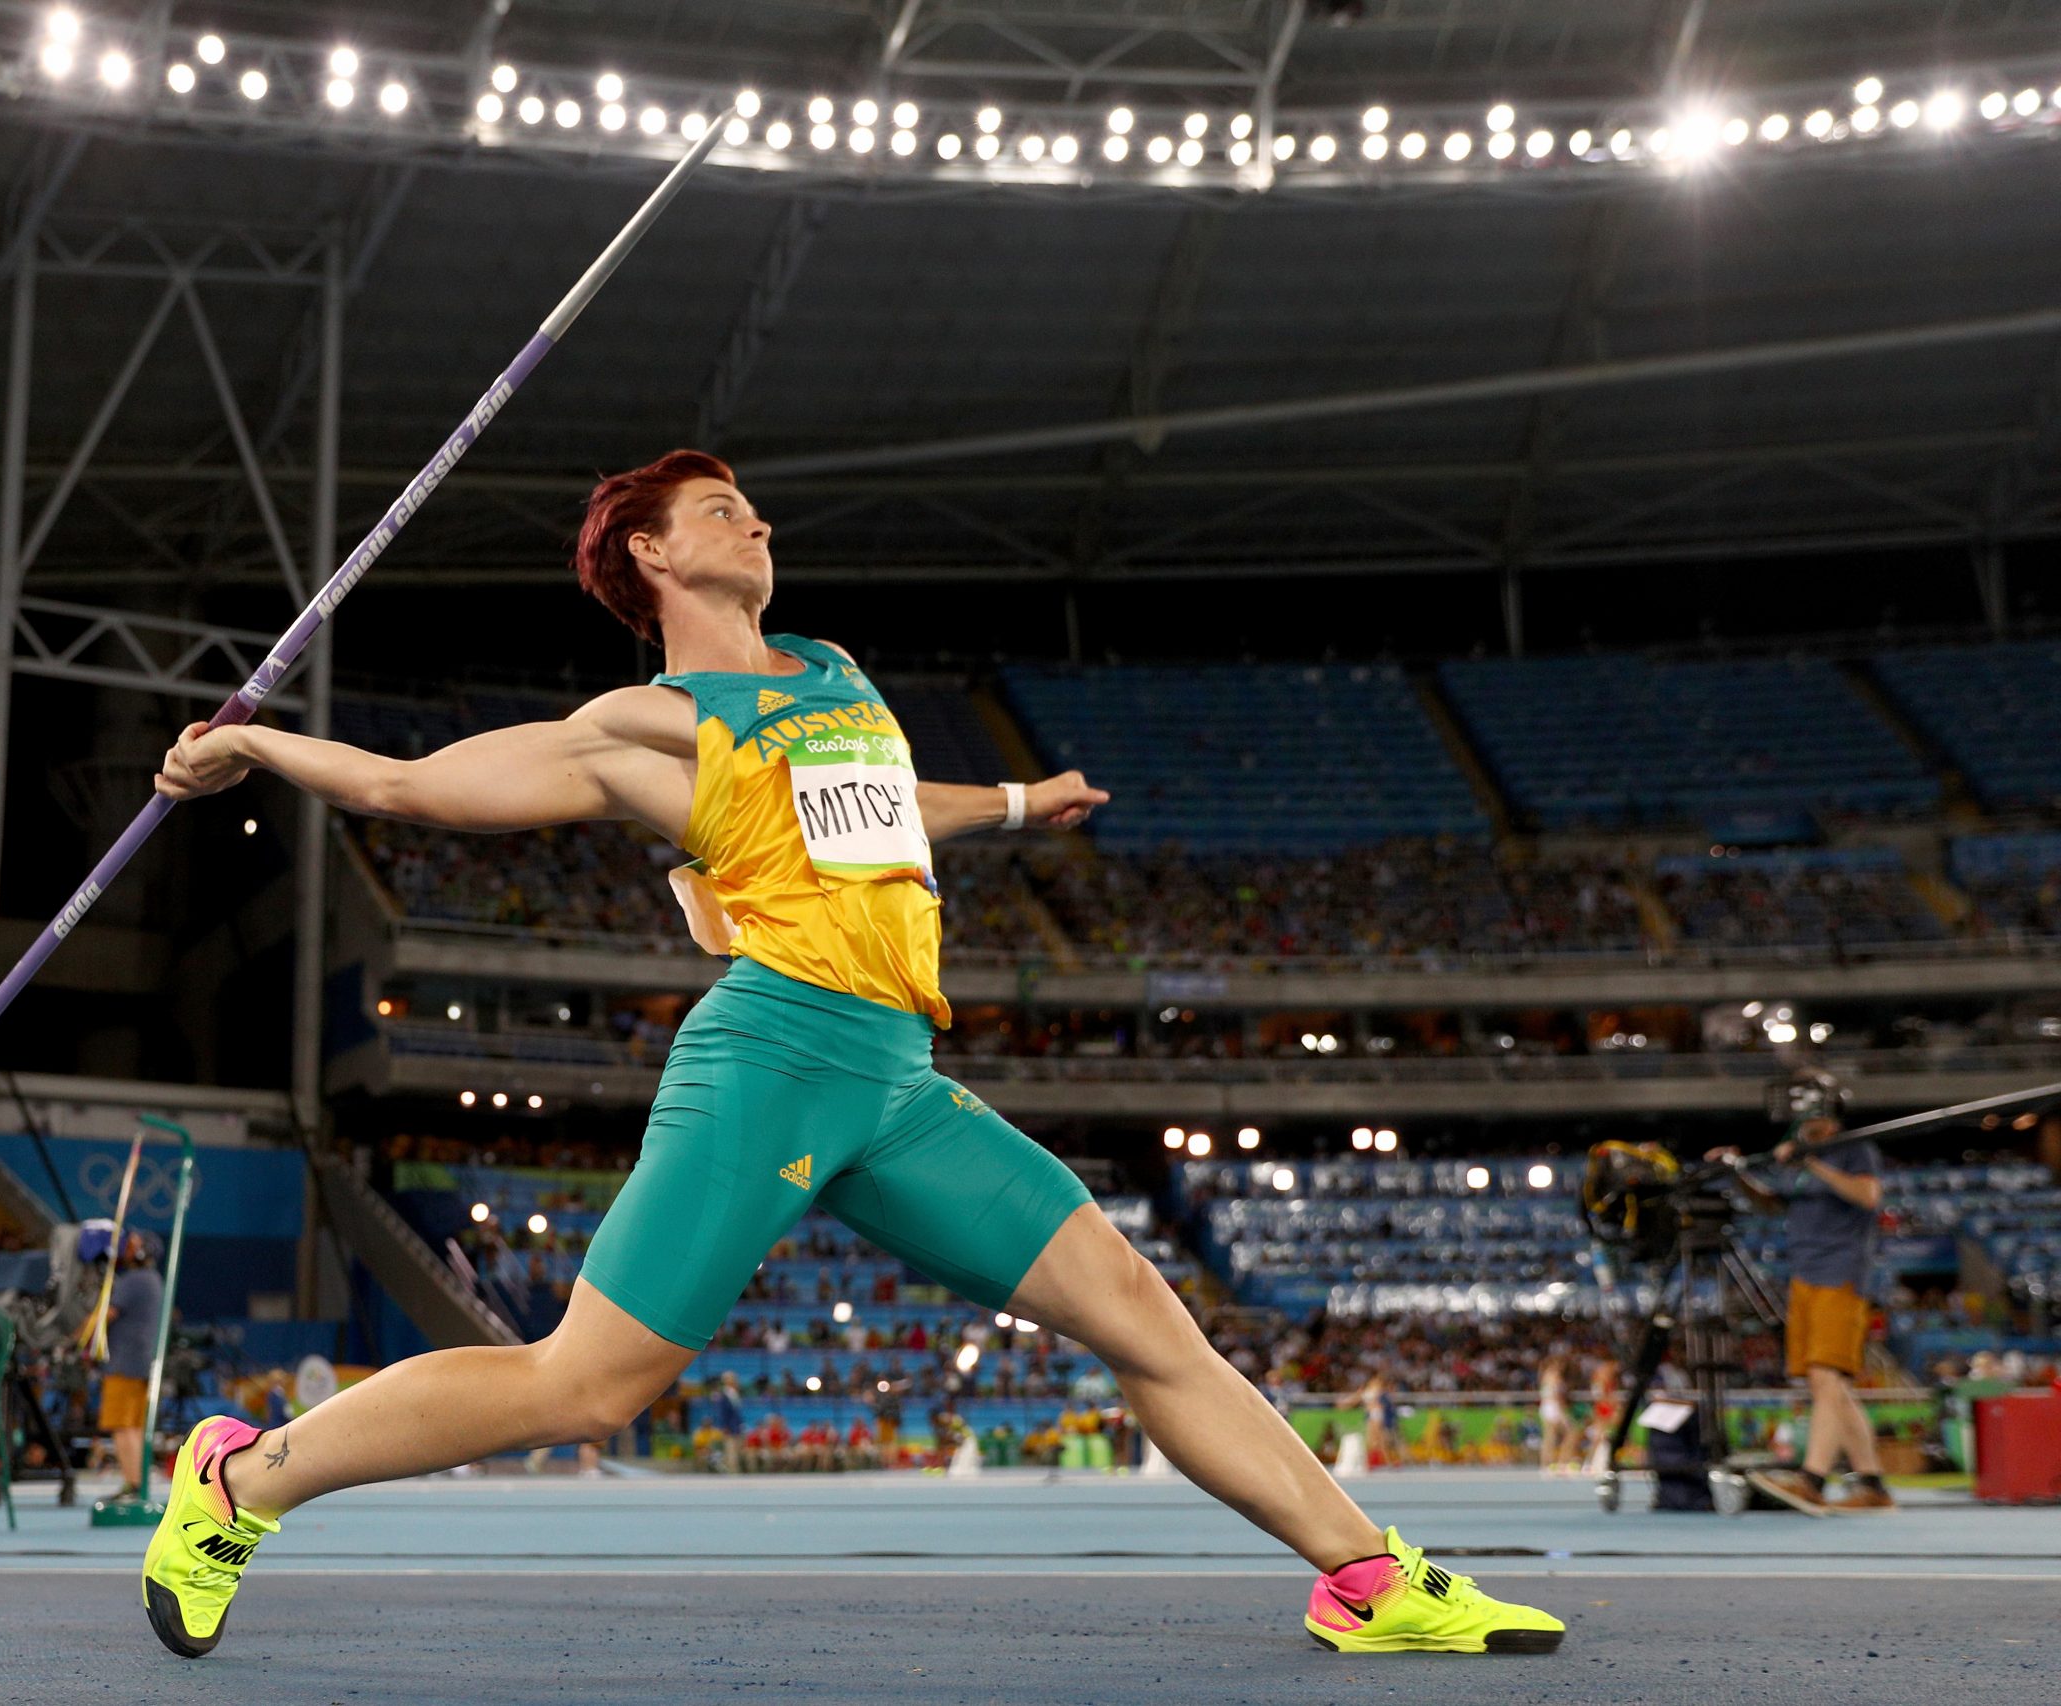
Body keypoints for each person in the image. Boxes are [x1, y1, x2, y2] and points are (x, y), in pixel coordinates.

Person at [139, 449, 1565, 1661]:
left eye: (751, 505)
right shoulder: (645, 727)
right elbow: (414, 786)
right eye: (721, 510)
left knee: (1140, 1310)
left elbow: (880, 808)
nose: (755, 521)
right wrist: (259, 750)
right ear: (650, 551)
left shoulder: (830, 669)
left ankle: (1363, 1578)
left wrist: (1015, 798)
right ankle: (239, 1478)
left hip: (895, 1075)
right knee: (585, 1384)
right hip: (773, 1053)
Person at [1709, 1116, 1893, 1513]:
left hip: (1839, 1275)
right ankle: (1873, 1485)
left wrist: (1812, 1161)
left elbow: (1868, 1195)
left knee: (1826, 1377)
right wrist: (1737, 1174)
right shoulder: (1799, 1161)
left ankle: (1812, 1480)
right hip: (1804, 1277)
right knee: (1830, 1386)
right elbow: (1771, 1204)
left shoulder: (1854, 1148)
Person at [97, 1230, 165, 1504]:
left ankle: (135, 1484)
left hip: (125, 1362)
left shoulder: (134, 1281)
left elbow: (106, 1315)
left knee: (122, 1426)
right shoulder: (152, 1280)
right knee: (133, 1427)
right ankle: (136, 1482)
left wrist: (78, 1336)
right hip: (141, 1362)